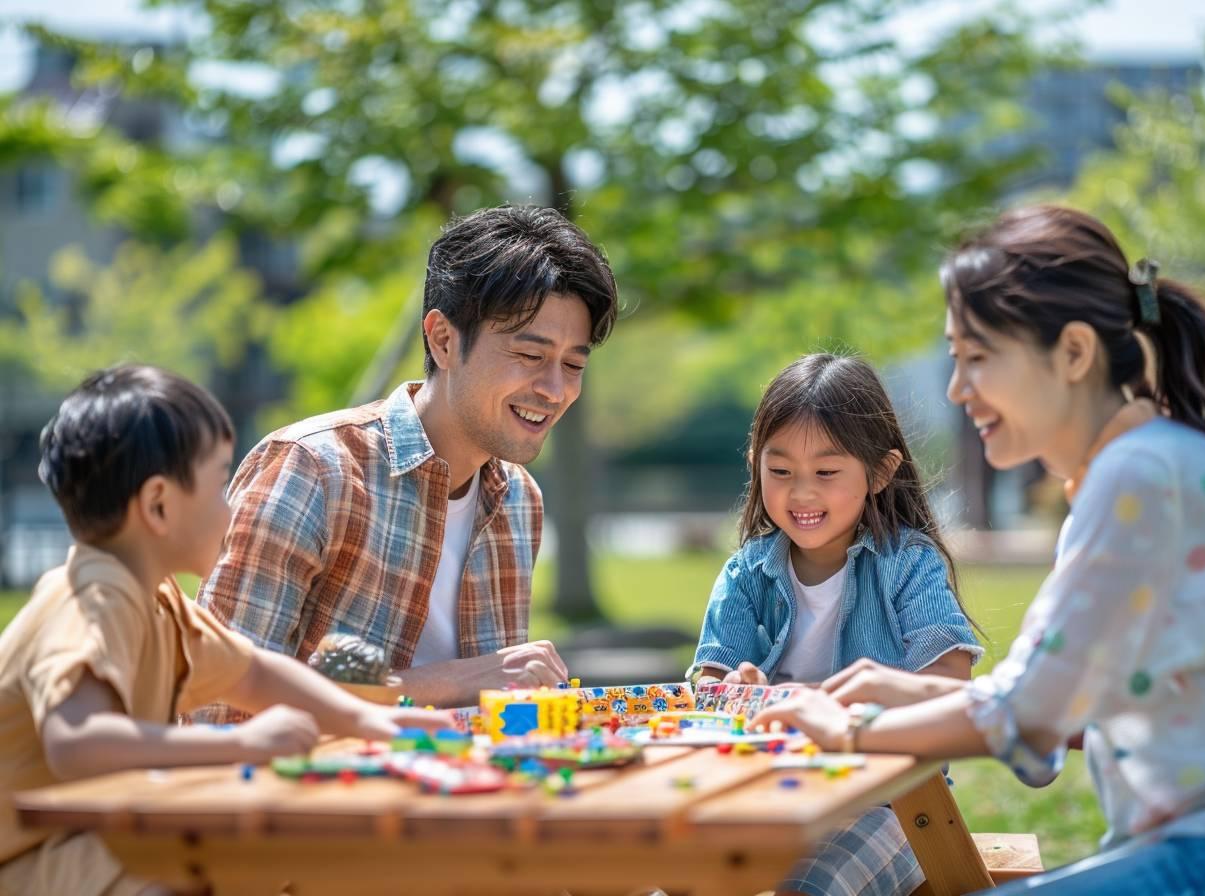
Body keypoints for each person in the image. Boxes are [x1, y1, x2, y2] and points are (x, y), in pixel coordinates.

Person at [753, 205, 1205, 895]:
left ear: (1072, 353)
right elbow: (1060, 708)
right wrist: (910, 691)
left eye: (977, 357)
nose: (956, 389)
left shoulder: (1141, 473)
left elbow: (1029, 713)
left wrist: (852, 729)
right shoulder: (1138, 467)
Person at [0, 365, 455, 896]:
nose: (232, 508)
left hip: (85, 840)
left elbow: (256, 674)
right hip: (31, 857)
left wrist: (370, 721)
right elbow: (78, 743)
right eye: (219, 484)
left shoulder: (159, 601)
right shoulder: (90, 594)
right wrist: (241, 742)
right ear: (158, 505)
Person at [195, 205, 620, 721]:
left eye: (573, 364)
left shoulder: (518, 498)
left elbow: (496, 715)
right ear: (444, 340)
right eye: (531, 356)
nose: (556, 390)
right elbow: (217, 701)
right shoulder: (313, 470)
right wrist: (452, 683)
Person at [690, 352, 982, 896]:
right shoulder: (746, 573)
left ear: (880, 472)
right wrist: (733, 691)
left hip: (893, 802)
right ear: (756, 464)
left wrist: (833, 704)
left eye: (826, 472)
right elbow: (710, 686)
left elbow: (950, 686)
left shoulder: (908, 564)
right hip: (769, 793)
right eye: (780, 472)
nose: (801, 493)